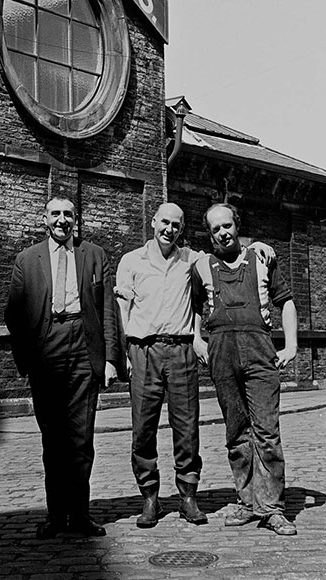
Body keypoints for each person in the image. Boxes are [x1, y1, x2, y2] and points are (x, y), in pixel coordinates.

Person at [115, 202, 273, 529]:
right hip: (144, 350)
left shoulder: (192, 259)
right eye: (164, 222)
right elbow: (122, 309)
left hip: (181, 351)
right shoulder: (131, 261)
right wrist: (126, 354)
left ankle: (188, 496)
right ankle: (150, 498)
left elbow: (228, 253)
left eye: (176, 224)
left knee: (186, 428)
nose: (169, 229)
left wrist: (255, 246)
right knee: (143, 429)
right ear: (153, 222)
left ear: (181, 229)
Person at [5, 195, 118, 539]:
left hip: (84, 345)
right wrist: (30, 353)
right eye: (55, 214)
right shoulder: (27, 259)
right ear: (44, 219)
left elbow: (108, 311)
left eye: (68, 214)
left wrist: (111, 358)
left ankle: (81, 516)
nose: (62, 220)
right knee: (53, 438)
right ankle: (56, 517)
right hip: (48, 346)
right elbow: (14, 312)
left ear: (76, 220)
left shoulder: (94, 255)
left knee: (81, 438)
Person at [192, 203, 298, 536]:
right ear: (209, 235)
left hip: (259, 351)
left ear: (237, 226)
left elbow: (287, 301)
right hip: (222, 354)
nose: (223, 233)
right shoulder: (202, 267)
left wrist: (292, 345)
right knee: (237, 433)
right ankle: (247, 500)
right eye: (215, 229)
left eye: (227, 226)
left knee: (267, 431)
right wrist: (196, 340)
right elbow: (195, 308)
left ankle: (272, 507)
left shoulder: (262, 259)